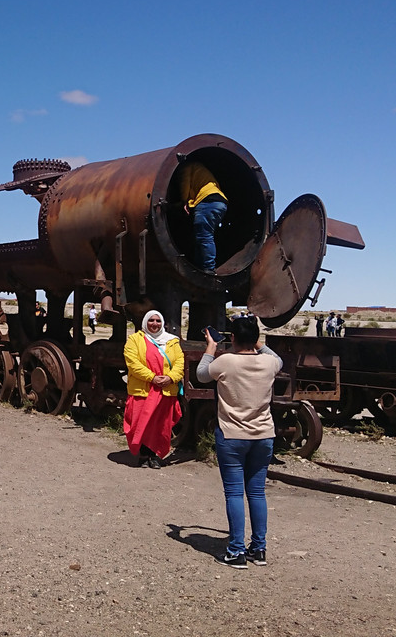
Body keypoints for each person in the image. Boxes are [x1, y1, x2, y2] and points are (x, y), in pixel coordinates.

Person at [197, 316, 280, 569]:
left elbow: (201, 375)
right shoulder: (270, 363)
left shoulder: (225, 362)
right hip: (264, 435)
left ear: (232, 337)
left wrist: (210, 348)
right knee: (257, 493)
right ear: (255, 339)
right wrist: (259, 341)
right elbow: (277, 357)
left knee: (234, 493)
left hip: (232, 435)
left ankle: (236, 551)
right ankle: (259, 548)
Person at [122, 310, 184, 469]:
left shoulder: (172, 341)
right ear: (145, 322)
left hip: (165, 389)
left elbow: (179, 363)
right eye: (151, 320)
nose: (154, 324)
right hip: (143, 390)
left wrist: (170, 378)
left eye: (158, 321)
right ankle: (143, 455)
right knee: (141, 423)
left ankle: (154, 455)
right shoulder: (134, 340)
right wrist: (152, 378)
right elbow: (133, 363)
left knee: (160, 424)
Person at [178, 162, 227, 273]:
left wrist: (184, 200)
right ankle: (199, 265)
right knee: (202, 235)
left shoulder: (187, 166)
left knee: (204, 236)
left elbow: (184, 183)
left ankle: (208, 268)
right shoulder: (202, 171)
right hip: (220, 203)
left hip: (207, 202)